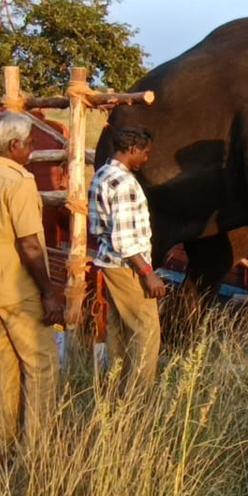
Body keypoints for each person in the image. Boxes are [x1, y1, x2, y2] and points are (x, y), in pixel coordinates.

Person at [0, 112, 64, 447]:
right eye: (30, 142)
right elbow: (30, 243)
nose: (31, 149)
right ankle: (37, 450)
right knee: (41, 367)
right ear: (14, 144)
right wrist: (49, 293)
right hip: (20, 289)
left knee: (3, 368)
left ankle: (2, 444)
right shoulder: (19, 181)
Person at [89, 126, 166, 390]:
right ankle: (140, 399)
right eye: (145, 153)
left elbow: (99, 227)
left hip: (109, 262)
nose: (146, 159)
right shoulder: (124, 184)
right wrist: (148, 273)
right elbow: (125, 240)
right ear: (132, 150)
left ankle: (116, 388)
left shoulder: (102, 174)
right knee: (146, 330)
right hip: (127, 266)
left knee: (119, 330)